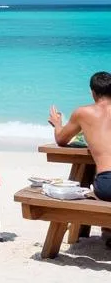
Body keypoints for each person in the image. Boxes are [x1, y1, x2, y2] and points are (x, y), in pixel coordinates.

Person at [49, 70, 111, 203]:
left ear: (92, 92)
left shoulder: (83, 113)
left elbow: (61, 140)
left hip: (107, 184)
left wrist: (57, 124)